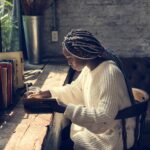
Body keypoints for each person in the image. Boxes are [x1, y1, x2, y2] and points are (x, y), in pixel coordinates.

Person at [26, 29, 135, 150]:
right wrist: (47, 93)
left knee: (64, 141)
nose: (68, 63)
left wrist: (64, 109)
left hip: (115, 136)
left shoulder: (109, 73)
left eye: (69, 58)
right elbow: (75, 91)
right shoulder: (89, 69)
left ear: (82, 54)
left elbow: (103, 118)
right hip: (104, 130)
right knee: (66, 137)